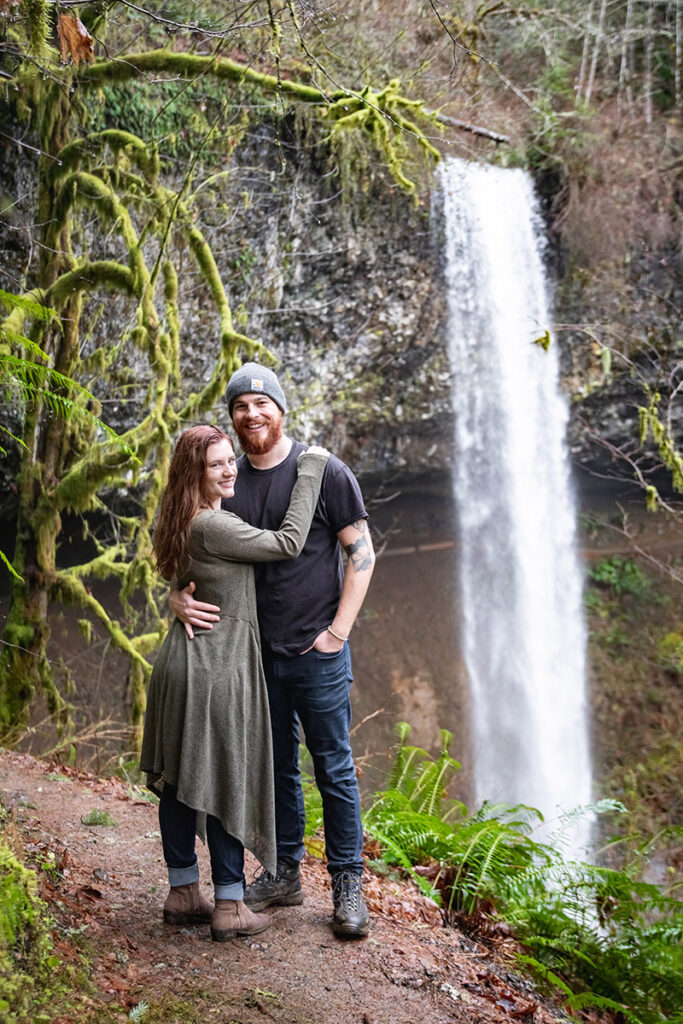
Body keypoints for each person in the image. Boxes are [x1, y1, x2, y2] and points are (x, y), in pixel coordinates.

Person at [169, 363, 376, 939]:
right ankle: (285, 873)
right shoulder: (228, 481)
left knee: (333, 766)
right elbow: (197, 551)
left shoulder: (324, 471)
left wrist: (337, 634)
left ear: (281, 409)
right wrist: (176, 597)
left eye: (262, 404)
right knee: (277, 766)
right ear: (232, 418)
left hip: (317, 649)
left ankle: (347, 884)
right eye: (241, 406)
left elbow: (362, 555)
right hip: (253, 658)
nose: (252, 414)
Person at [140, 423, 329, 942]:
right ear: (194, 473)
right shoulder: (213, 525)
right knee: (223, 777)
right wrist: (311, 466)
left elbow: (181, 578)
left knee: (180, 782)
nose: (230, 470)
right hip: (215, 669)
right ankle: (229, 903)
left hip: (181, 664)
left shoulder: (178, 519)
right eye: (217, 464)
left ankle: (183, 892)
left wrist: (175, 596)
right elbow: (288, 542)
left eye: (231, 460)